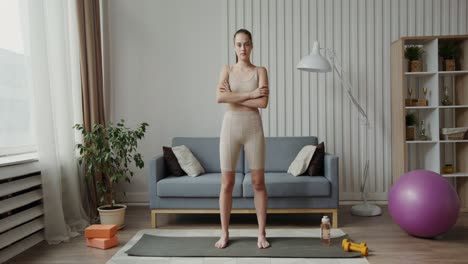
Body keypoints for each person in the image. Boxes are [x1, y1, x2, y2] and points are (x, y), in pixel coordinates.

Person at [215, 29, 270, 249]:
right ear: (234, 47)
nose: (243, 48)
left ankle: (261, 233)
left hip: (253, 128)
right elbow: (220, 97)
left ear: (252, 45)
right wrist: (250, 94)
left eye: (246, 44)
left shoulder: (261, 71)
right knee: (227, 183)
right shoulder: (226, 70)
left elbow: (263, 103)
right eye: (239, 44)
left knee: (258, 182)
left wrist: (235, 97)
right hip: (230, 128)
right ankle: (225, 233)